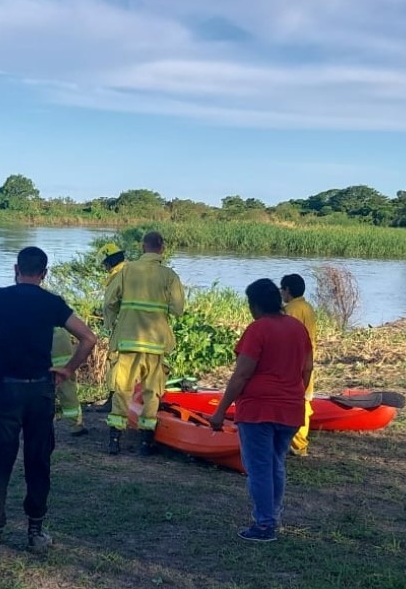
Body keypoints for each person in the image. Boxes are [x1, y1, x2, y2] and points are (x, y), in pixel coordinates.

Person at [0, 246, 96, 568]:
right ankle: (35, 532)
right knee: (37, 462)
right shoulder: (52, 302)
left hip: (8, 391)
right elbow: (88, 338)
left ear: (16, 269)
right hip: (41, 392)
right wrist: (68, 369)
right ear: (44, 273)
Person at [208, 278, 313, 543]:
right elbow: (308, 368)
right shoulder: (298, 329)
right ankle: (273, 517)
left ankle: (264, 525)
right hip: (290, 409)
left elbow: (242, 375)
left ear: (255, 305)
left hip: (259, 409)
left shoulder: (258, 329)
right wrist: (296, 393)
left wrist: (221, 411)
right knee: (276, 463)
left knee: (259, 468)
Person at [103, 232, 185, 455]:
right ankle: (146, 442)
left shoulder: (126, 270)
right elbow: (178, 309)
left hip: (127, 342)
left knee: (122, 390)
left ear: (142, 247)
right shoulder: (169, 276)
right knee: (152, 393)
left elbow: (109, 301)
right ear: (162, 248)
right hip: (156, 345)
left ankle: (115, 441)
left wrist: (112, 326)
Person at [280, 273, 318, 457]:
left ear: (287, 290)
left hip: (295, 363)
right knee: (304, 401)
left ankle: (297, 445)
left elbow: (288, 337)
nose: (281, 292)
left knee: (295, 403)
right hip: (308, 360)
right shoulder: (308, 307)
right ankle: (298, 444)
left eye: (282, 289)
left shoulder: (291, 309)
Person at [52, 326, 88, 437]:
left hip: (39, 356)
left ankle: (34, 428)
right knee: (68, 393)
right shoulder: (60, 310)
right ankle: (76, 426)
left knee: (37, 393)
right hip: (62, 356)